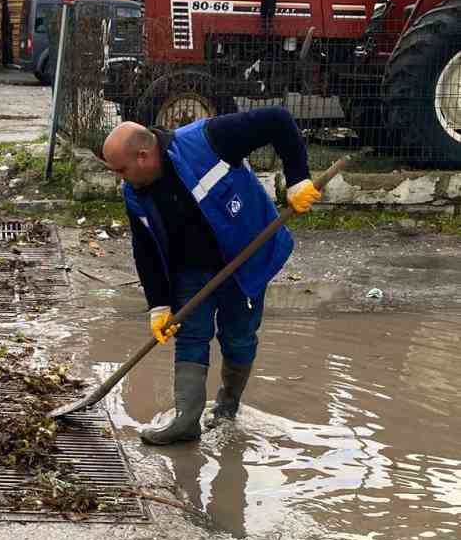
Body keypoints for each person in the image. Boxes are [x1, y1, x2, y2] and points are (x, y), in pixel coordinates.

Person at [101, 106, 321, 445]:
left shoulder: (209, 140)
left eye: (121, 169)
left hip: (244, 258)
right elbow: (145, 249)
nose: (120, 177)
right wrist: (158, 305)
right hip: (189, 270)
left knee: (238, 336)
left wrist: (298, 178)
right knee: (191, 336)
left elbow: (279, 119)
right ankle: (186, 420)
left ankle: (226, 409)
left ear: (144, 156)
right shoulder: (135, 194)